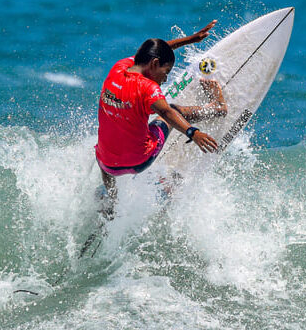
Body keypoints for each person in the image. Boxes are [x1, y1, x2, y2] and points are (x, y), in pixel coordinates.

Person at [93, 20, 228, 213]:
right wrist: (193, 132)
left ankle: (113, 202)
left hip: (108, 165)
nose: (165, 78)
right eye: (166, 72)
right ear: (155, 64)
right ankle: (217, 107)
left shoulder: (119, 67)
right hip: (139, 161)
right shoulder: (148, 88)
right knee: (173, 110)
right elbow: (166, 112)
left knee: (101, 151)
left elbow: (150, 54)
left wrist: (191, 40)